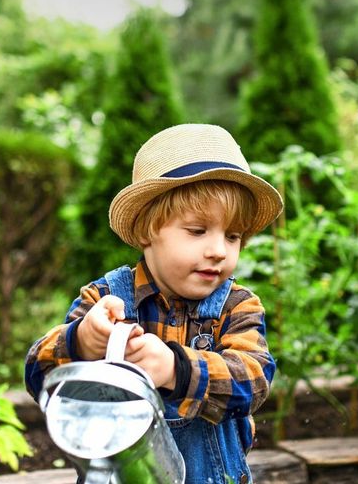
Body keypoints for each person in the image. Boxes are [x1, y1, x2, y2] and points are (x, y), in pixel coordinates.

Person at [25, 124, 283, 484]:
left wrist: (177, 370)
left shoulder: (235, 307)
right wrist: (83, 342)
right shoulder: (106, 300)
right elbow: (41, 379)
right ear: (147, 230)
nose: (218, 250)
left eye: (233, 236)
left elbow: (253, 382)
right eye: (197, 231)